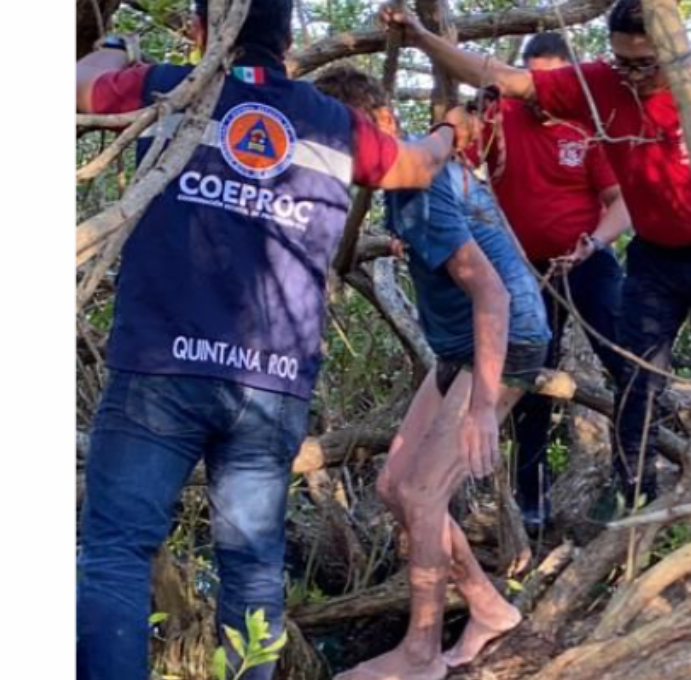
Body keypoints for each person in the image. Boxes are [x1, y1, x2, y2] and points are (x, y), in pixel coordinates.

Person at [74, 2, 461, 678]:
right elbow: (416, 165)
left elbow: (74, 85)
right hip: (270, 379)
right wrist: (453, 129)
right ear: (287, 43)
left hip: (162, 365)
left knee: (117, 550)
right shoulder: (333, 124)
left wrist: (112, 44)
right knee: (252, 568)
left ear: (202, 31)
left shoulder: (165, 87)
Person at [380, 0, 691, 508]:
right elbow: (501, 77)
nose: (632, 76)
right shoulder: (598, 87)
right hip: (652, 259)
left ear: (674, 51)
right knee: (638, 376)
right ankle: (636, 496)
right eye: (622, 62)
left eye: (644, 63)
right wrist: (420, 36)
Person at [313, 68, 552, 680]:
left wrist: (481, 410)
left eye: (351, 135)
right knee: (396, 485)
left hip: (502, 340)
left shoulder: (415, 185)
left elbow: (493, 295)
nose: (344, 151)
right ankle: (487, 606)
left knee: (423, 493)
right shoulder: (413, 184)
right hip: (456, 348)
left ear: (385, 125)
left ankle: (420, 656)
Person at [470, 32, 631, 528]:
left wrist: (595, 244)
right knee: (530, 376)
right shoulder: (498, 115)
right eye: (531, 77)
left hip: (584, 259)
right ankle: (530, 497)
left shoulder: (589, 124)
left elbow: (621, 202)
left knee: (627, 360)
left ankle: (635, 480)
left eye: (551, 78)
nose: (539, 88)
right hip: (521, 268)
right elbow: (455, 160)